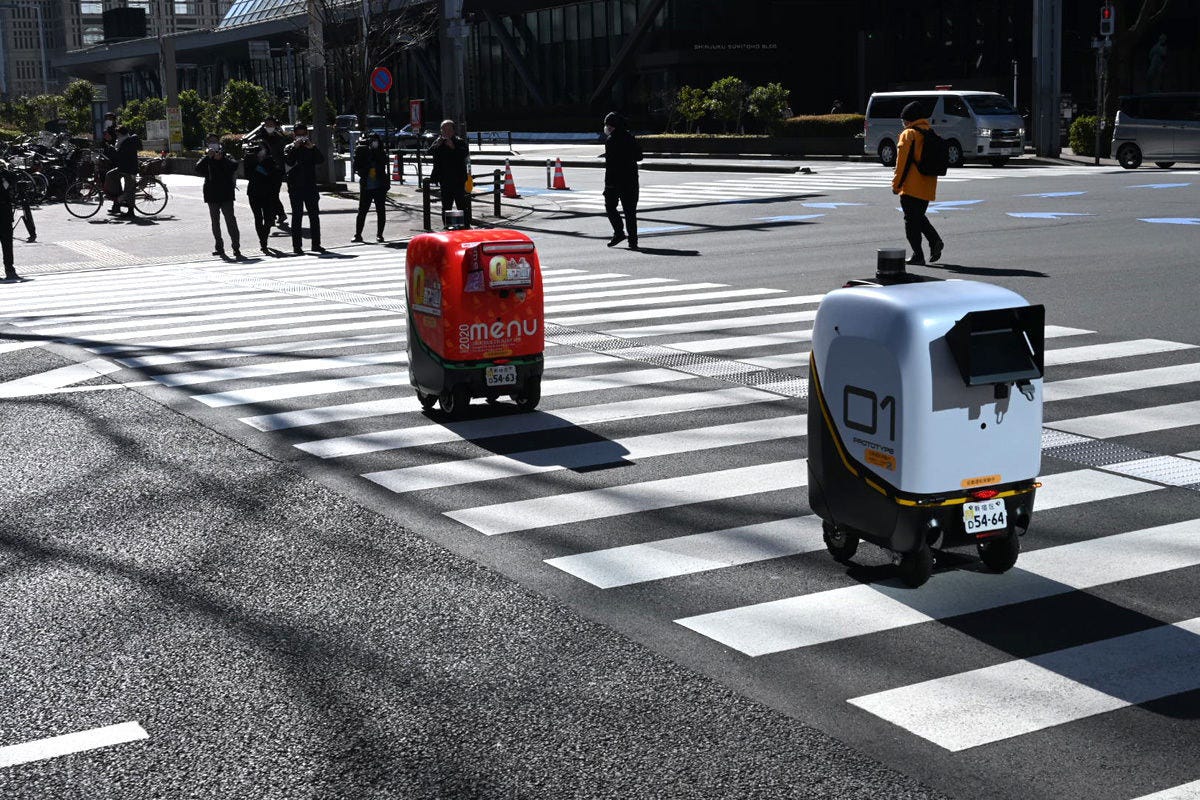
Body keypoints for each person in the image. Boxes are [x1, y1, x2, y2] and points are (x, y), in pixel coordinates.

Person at [892, 101, 944, 266]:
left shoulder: (909, 134)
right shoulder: (930, 131)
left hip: (910, 186)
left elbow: (902, 163)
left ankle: (918, 255)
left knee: (910, 222)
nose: (903, 123)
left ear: (908, 120)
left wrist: (896, 184)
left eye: (903, 120)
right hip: (928, 184)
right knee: (918, 218)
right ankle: (934, 241)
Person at [196, 134, 242, 259]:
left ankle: (236, 247)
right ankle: (219, 247)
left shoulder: (226, 155)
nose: (213, 144)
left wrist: (222, 158)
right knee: (215, 222)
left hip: (226, 193)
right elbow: (197, 168)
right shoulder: (206, 157)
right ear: (207, 144)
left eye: (215, 141)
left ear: (219, 143)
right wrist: (208, 157)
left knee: (230, 220)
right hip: (212, 194)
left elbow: (234, 166)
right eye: (210, 142)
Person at [600, 111, 642, 249]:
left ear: (614, 126)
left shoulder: (611, 140)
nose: (607, 129)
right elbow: (639, 156)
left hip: (615, 182)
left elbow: (610, 165)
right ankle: (633, 241)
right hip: (631, 180)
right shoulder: (630, 137)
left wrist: (608, 185)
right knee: (630, 212)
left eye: (609, 126)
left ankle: (619, 232)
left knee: (610, 207)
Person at [284, 122, 326, 255]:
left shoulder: (310, 147)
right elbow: (288, 162)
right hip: (295, 187)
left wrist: (312, 147)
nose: (301, 137)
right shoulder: (288, 147)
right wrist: (295, 148)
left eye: (304, 134)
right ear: (294, 135)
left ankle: (316, 244)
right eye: (299, 135)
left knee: (314, 216)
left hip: (310, 186)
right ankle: (297, 246)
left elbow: (320, 160)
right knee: (297, 216)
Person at [246, 116, 290, 230]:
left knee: (273, 193)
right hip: (263, 170)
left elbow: (280, 151)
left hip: (277, 169)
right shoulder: (260, 137)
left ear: (275, 125)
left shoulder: (279, 137)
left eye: (271, 124)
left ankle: (278, 214)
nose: (269, 127)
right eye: (267, 124)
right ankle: (276, 215)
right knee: (268, 193)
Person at [427, 119, 468, 222]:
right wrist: (437, 145)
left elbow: (464, 154)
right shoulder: (439, 142)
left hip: (458, 179)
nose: (446, 132)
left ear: (453, 131)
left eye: (449, 129)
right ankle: (447, 225)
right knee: (446, 206)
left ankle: (465, 226)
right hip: (444, 179)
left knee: (461, 204)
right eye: (444, 130)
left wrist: (453, 147)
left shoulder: (459, 141)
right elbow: (429, 152)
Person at [353, 131, 389, 243]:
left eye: (375, 141)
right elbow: (356, 166)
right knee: (362, 211)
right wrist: (367, 152)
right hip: (366, 185)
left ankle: (380, 235)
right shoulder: (362, 150)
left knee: (381, 210)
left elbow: (384, 161)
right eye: (371, 140)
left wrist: (376, 150)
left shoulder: (380, 151)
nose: (373, 143)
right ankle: (358, 234)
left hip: (379, 186)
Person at [245, 143, 281, 254]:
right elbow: (248, 175)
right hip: (253, 193)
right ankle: (263, 242)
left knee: (269, 219)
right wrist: (255, 159)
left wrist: (262, 164)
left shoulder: (270, 161)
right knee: (258, 217)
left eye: (261, 149)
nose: (259, 151)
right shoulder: (250, 159)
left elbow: (274, 175)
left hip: (268, 194)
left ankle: (264, 237)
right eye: (257, 149)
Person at [104, 125, 140, 219]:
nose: (116, 135)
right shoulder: (122, 141)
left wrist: (112, 150)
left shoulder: (128, 142)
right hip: (123, 167)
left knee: (129, 190)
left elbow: (120, 155)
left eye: (117, 133)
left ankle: (131, 211)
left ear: (121, 133)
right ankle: (117, 202)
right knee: (110, 175)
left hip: (130, 169)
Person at [0, 167, 23, 281]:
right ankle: (10, 270)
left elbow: (13, 179)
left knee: (7, 242)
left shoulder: (5, 175)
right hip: (4, 211)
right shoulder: (5, 176)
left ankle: (10, 269)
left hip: (5, 212)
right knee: (7, 242)